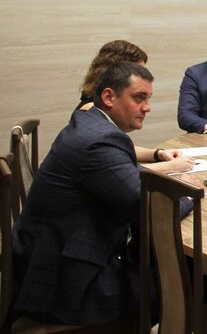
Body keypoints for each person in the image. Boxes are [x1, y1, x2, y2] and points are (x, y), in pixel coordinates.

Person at [12, 63, 189, 325]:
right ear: (108, 97)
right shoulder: (100, 140)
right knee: (185, 287)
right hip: (65, 285)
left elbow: (121, 176)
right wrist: (188, 194)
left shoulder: (90, 123)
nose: (147, 107)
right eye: (139, 98)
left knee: (171, 268)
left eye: (148, 99)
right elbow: (147, 206)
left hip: (51, 260)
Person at [78, 39, 191, 172]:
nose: (147, 108)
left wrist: (157, 153)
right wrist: (171, 167)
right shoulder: (91, 111)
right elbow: (123, 172)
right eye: (137, 71)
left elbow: (119, 148)